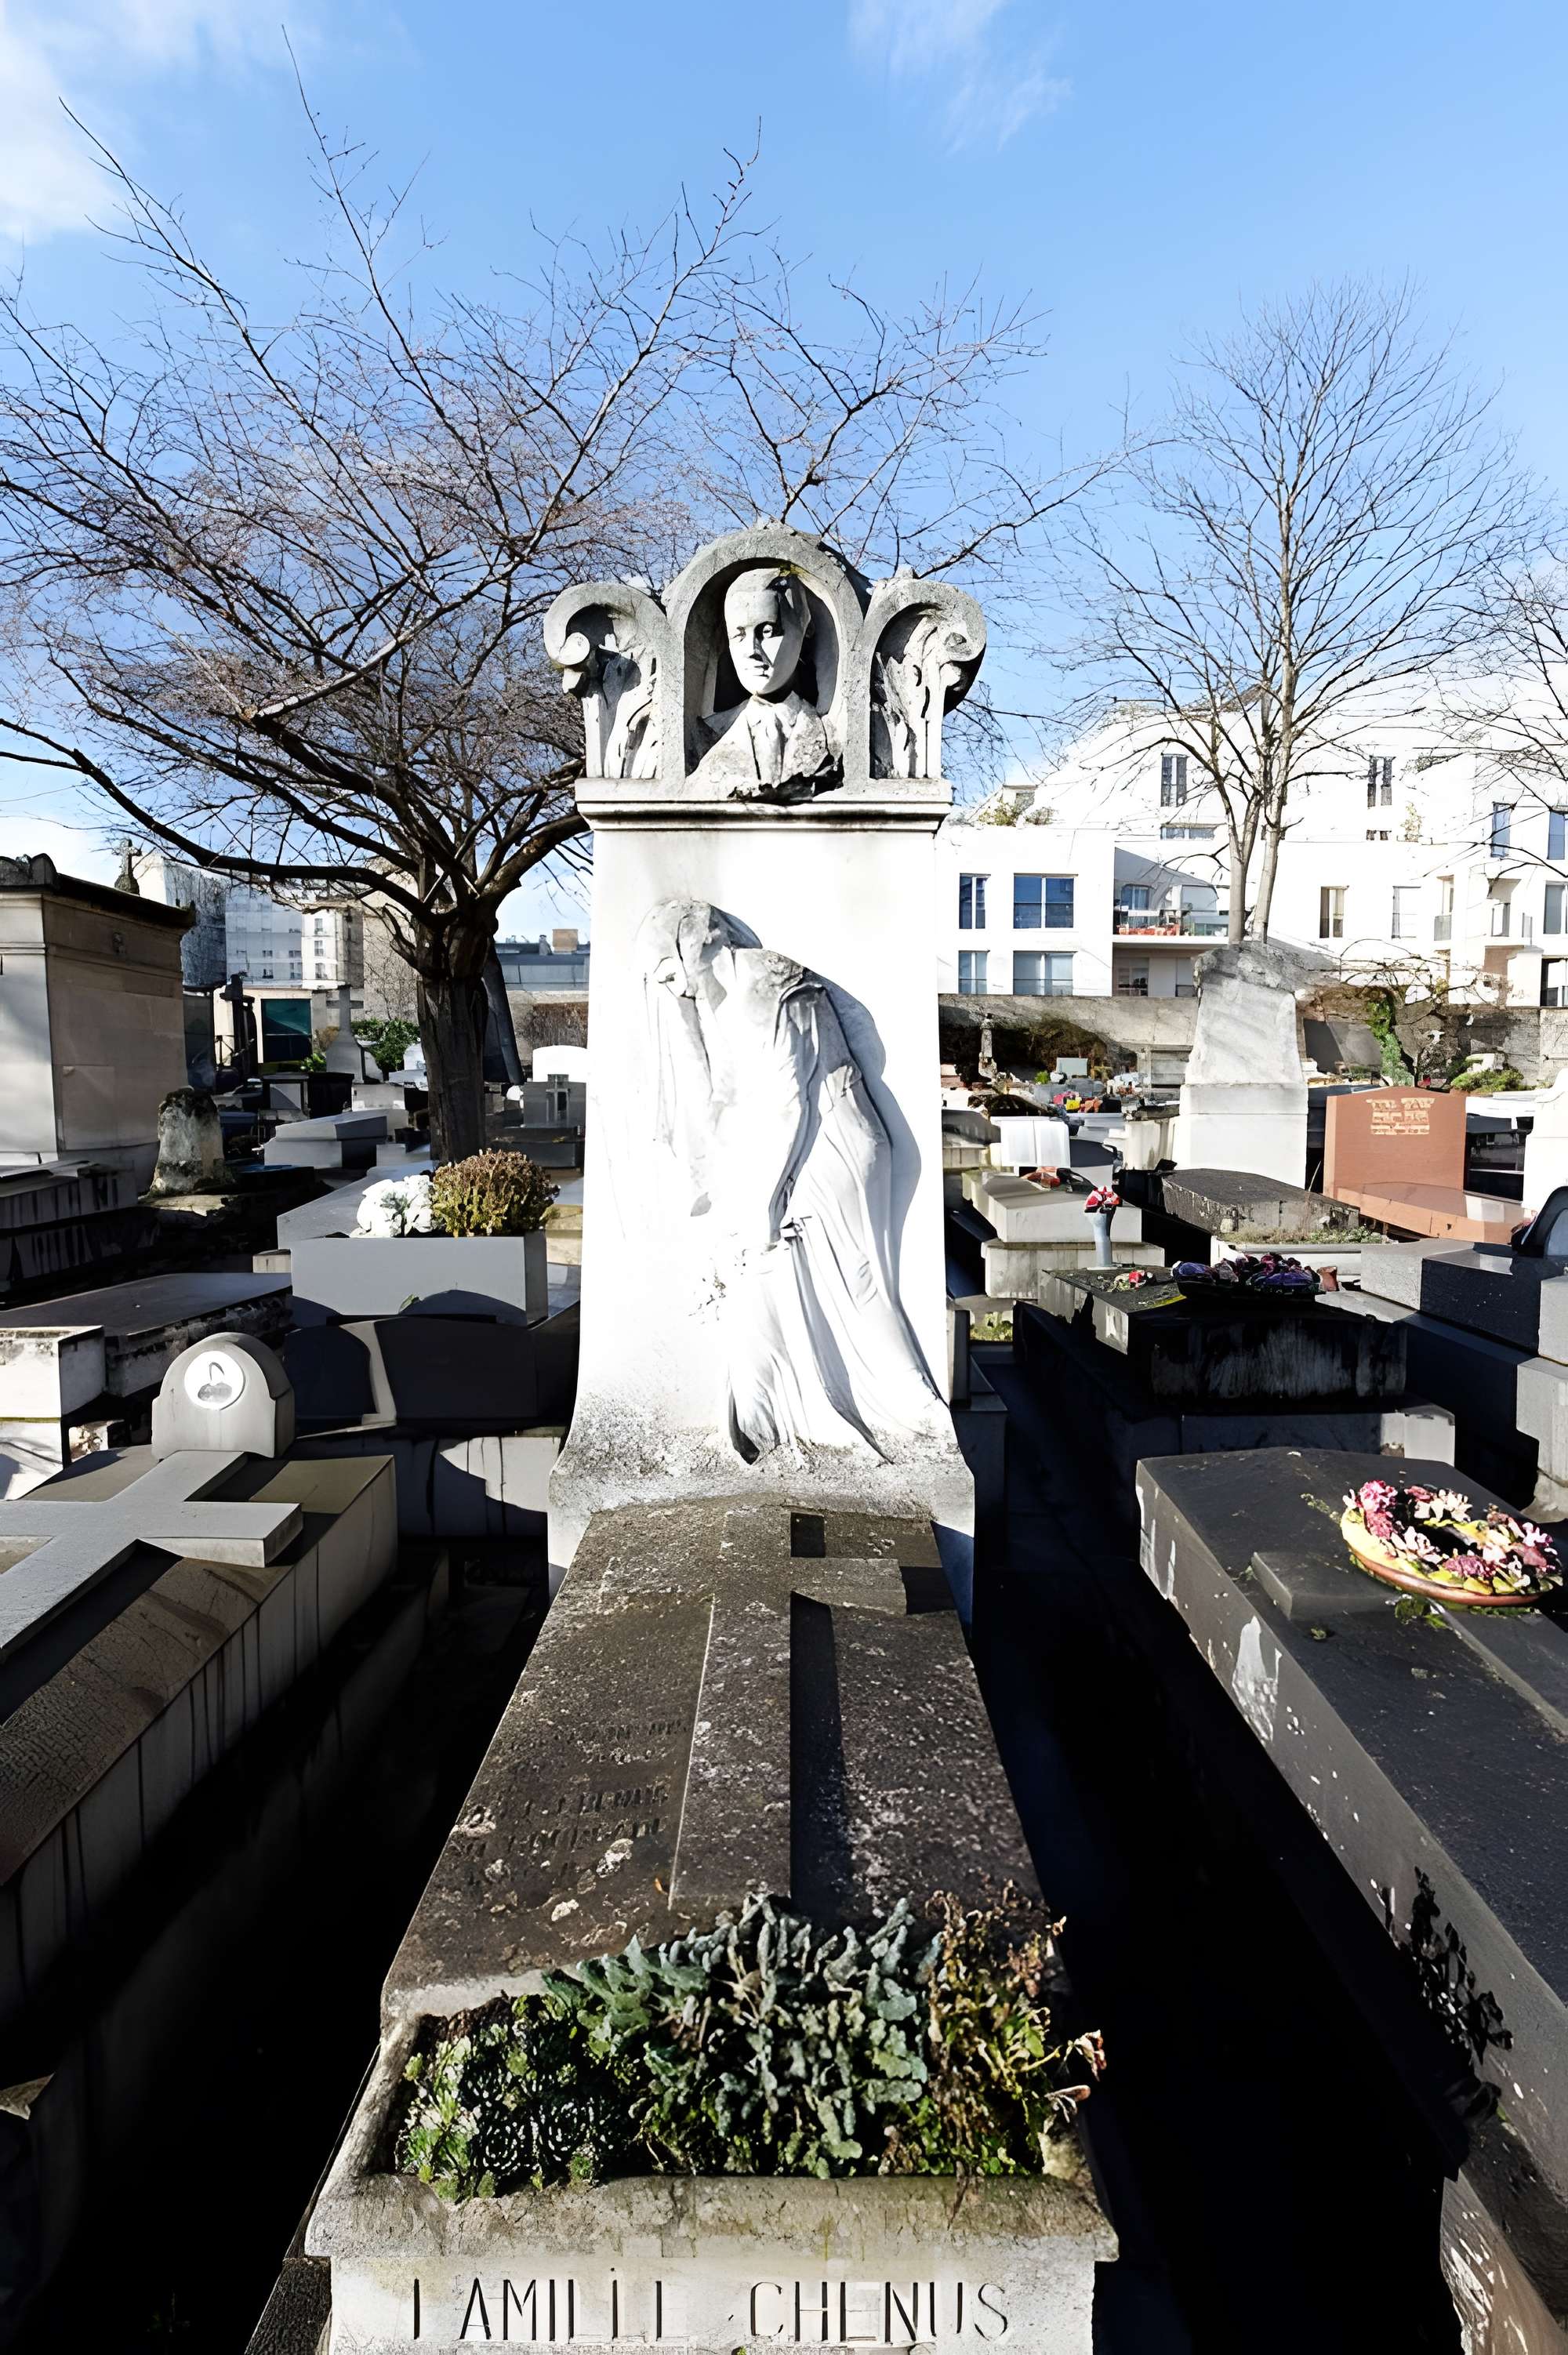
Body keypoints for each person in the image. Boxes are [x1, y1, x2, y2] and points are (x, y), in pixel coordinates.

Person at [642, 898, 942, 1461]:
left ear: (695, 943)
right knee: (775, 1274)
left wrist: (758, 1203)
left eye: (667, 967)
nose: (670, 985)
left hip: (832, 1145)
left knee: (856, 1282)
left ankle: (914, 1406)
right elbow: (732, 1098)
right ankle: (763, 1411)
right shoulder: (723, 1001)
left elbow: (787, 1101)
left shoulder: (767, 983)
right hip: (795, 1150)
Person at [689, 568, 839, 797]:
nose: (752, 651)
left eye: (767, 632)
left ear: (804, 626)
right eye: (738, 636)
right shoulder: (709, 733)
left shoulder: (831, 735)